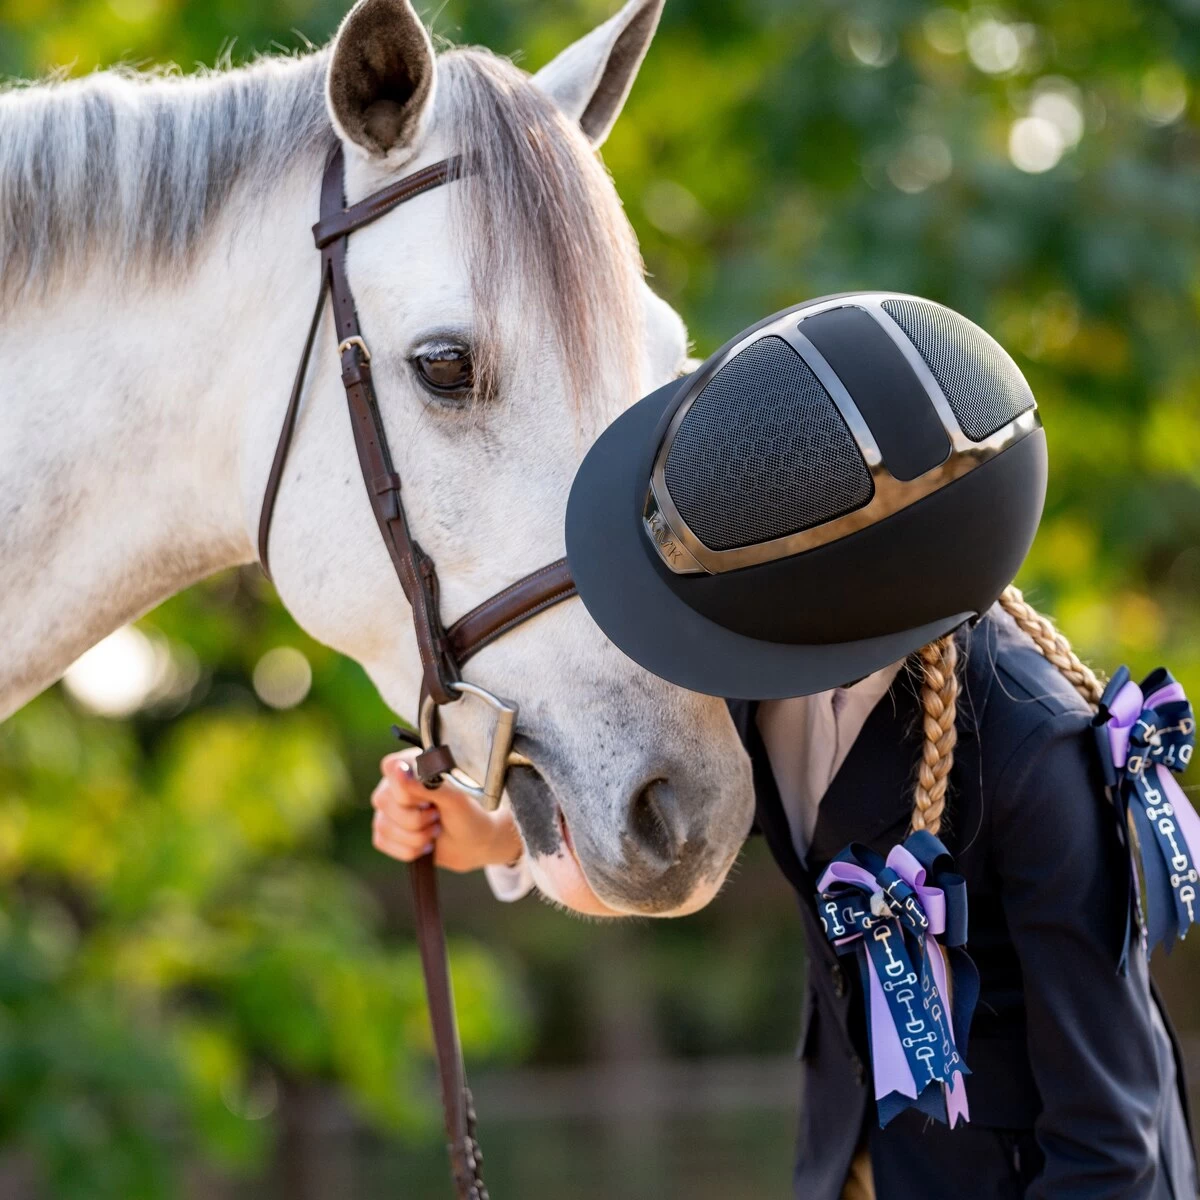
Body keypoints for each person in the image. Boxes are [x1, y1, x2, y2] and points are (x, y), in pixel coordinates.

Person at [371, 293, 1198, 1199]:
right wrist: (498, 834)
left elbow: (1111, 1132)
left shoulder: (1036, 756)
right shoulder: (760, 668)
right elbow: (674, 827)